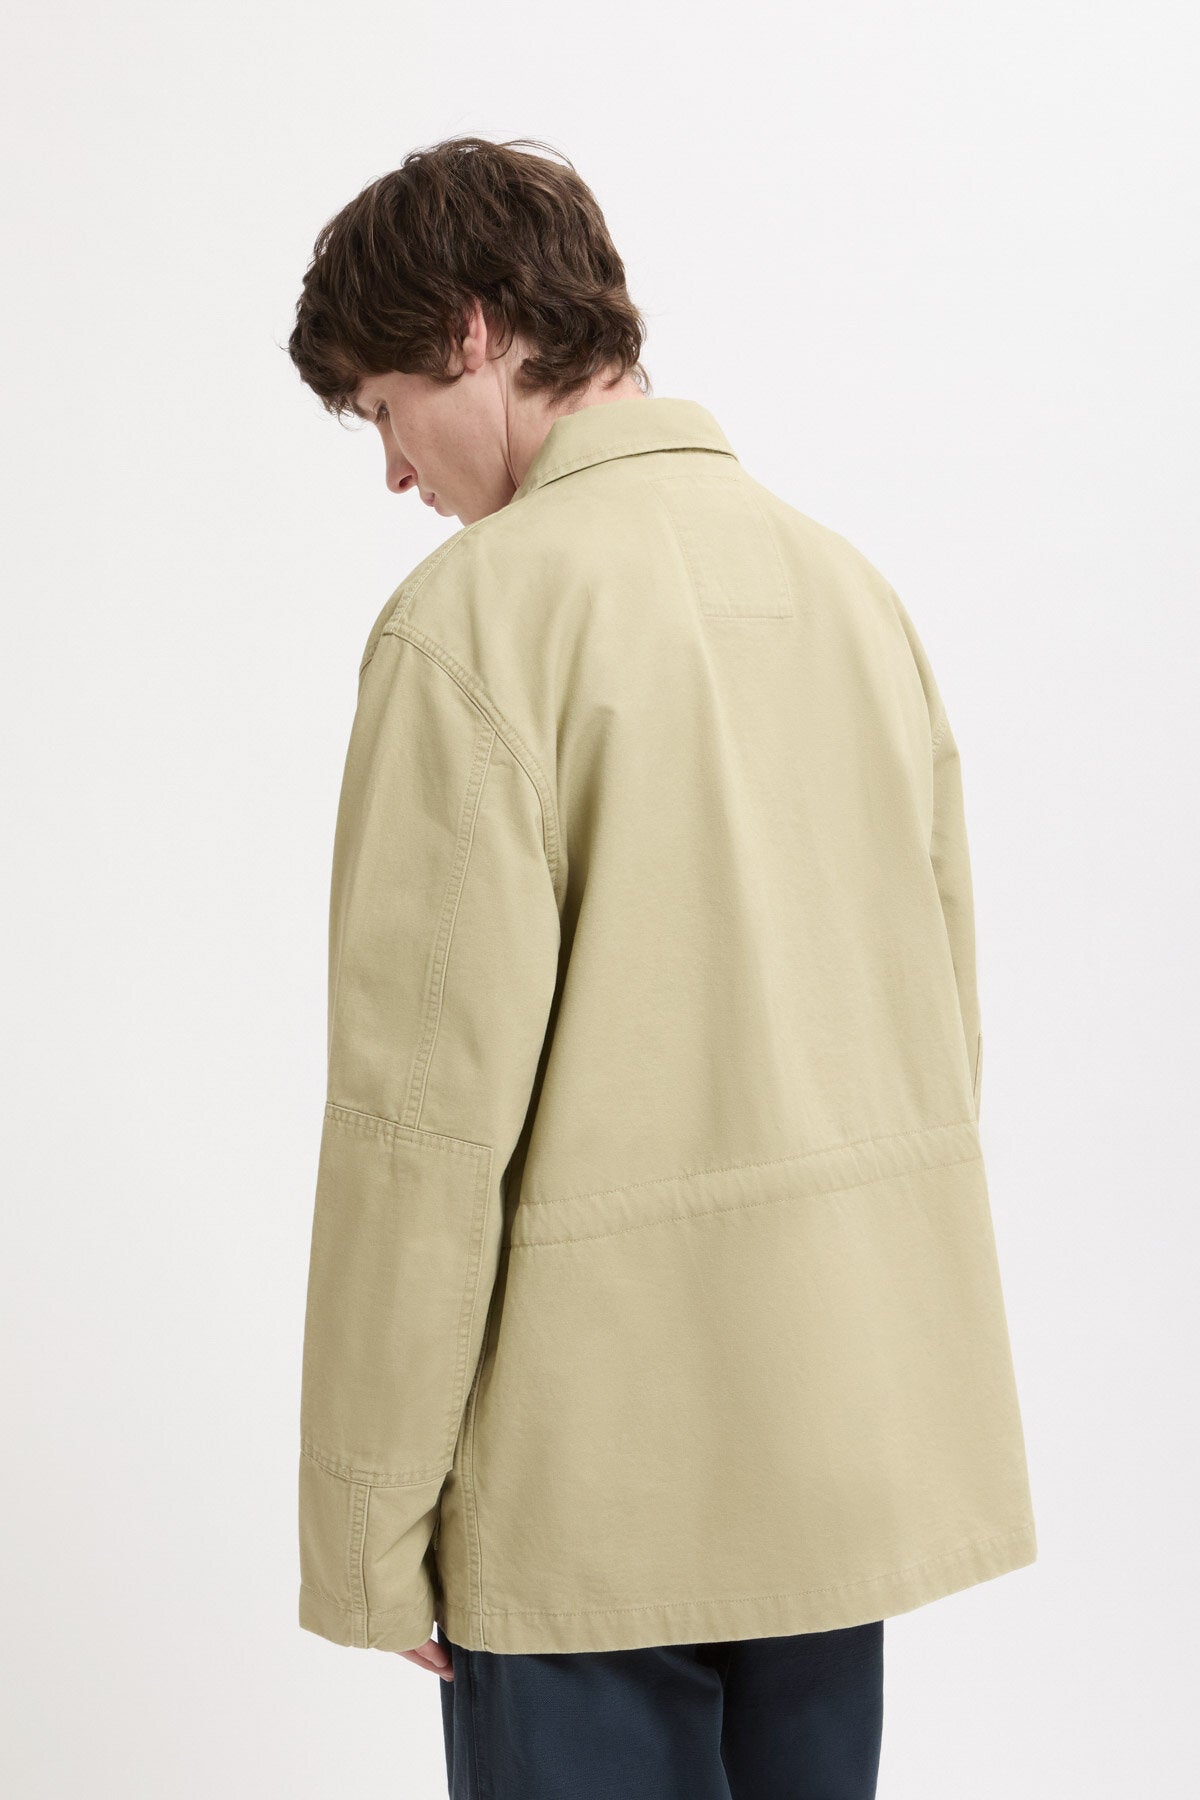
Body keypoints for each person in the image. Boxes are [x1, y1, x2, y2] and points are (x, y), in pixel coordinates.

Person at [286, 134, 1036, 1800]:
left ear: (473, 333)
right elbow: (943, 1027)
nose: (394, 472)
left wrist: (372, 1527)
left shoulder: (475, 622)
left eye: (385, 406)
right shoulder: (848, 590)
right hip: (834, 1462)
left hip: (591, 1496)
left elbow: (420, 1128)